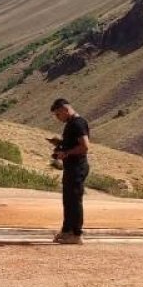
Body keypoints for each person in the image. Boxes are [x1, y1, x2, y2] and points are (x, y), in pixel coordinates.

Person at [49, 98, 91, 244]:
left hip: (77, 166)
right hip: (71, 166)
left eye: (58, 115)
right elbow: (74, 143)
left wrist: (66, 153)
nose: (57, 118)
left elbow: (85, 146)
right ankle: (67, 230)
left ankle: (77, 234)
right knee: (68, 200)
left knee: (74, 200)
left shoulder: (78, 123)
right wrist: (60, 144)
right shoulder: (71, 124)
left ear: (65, 110)